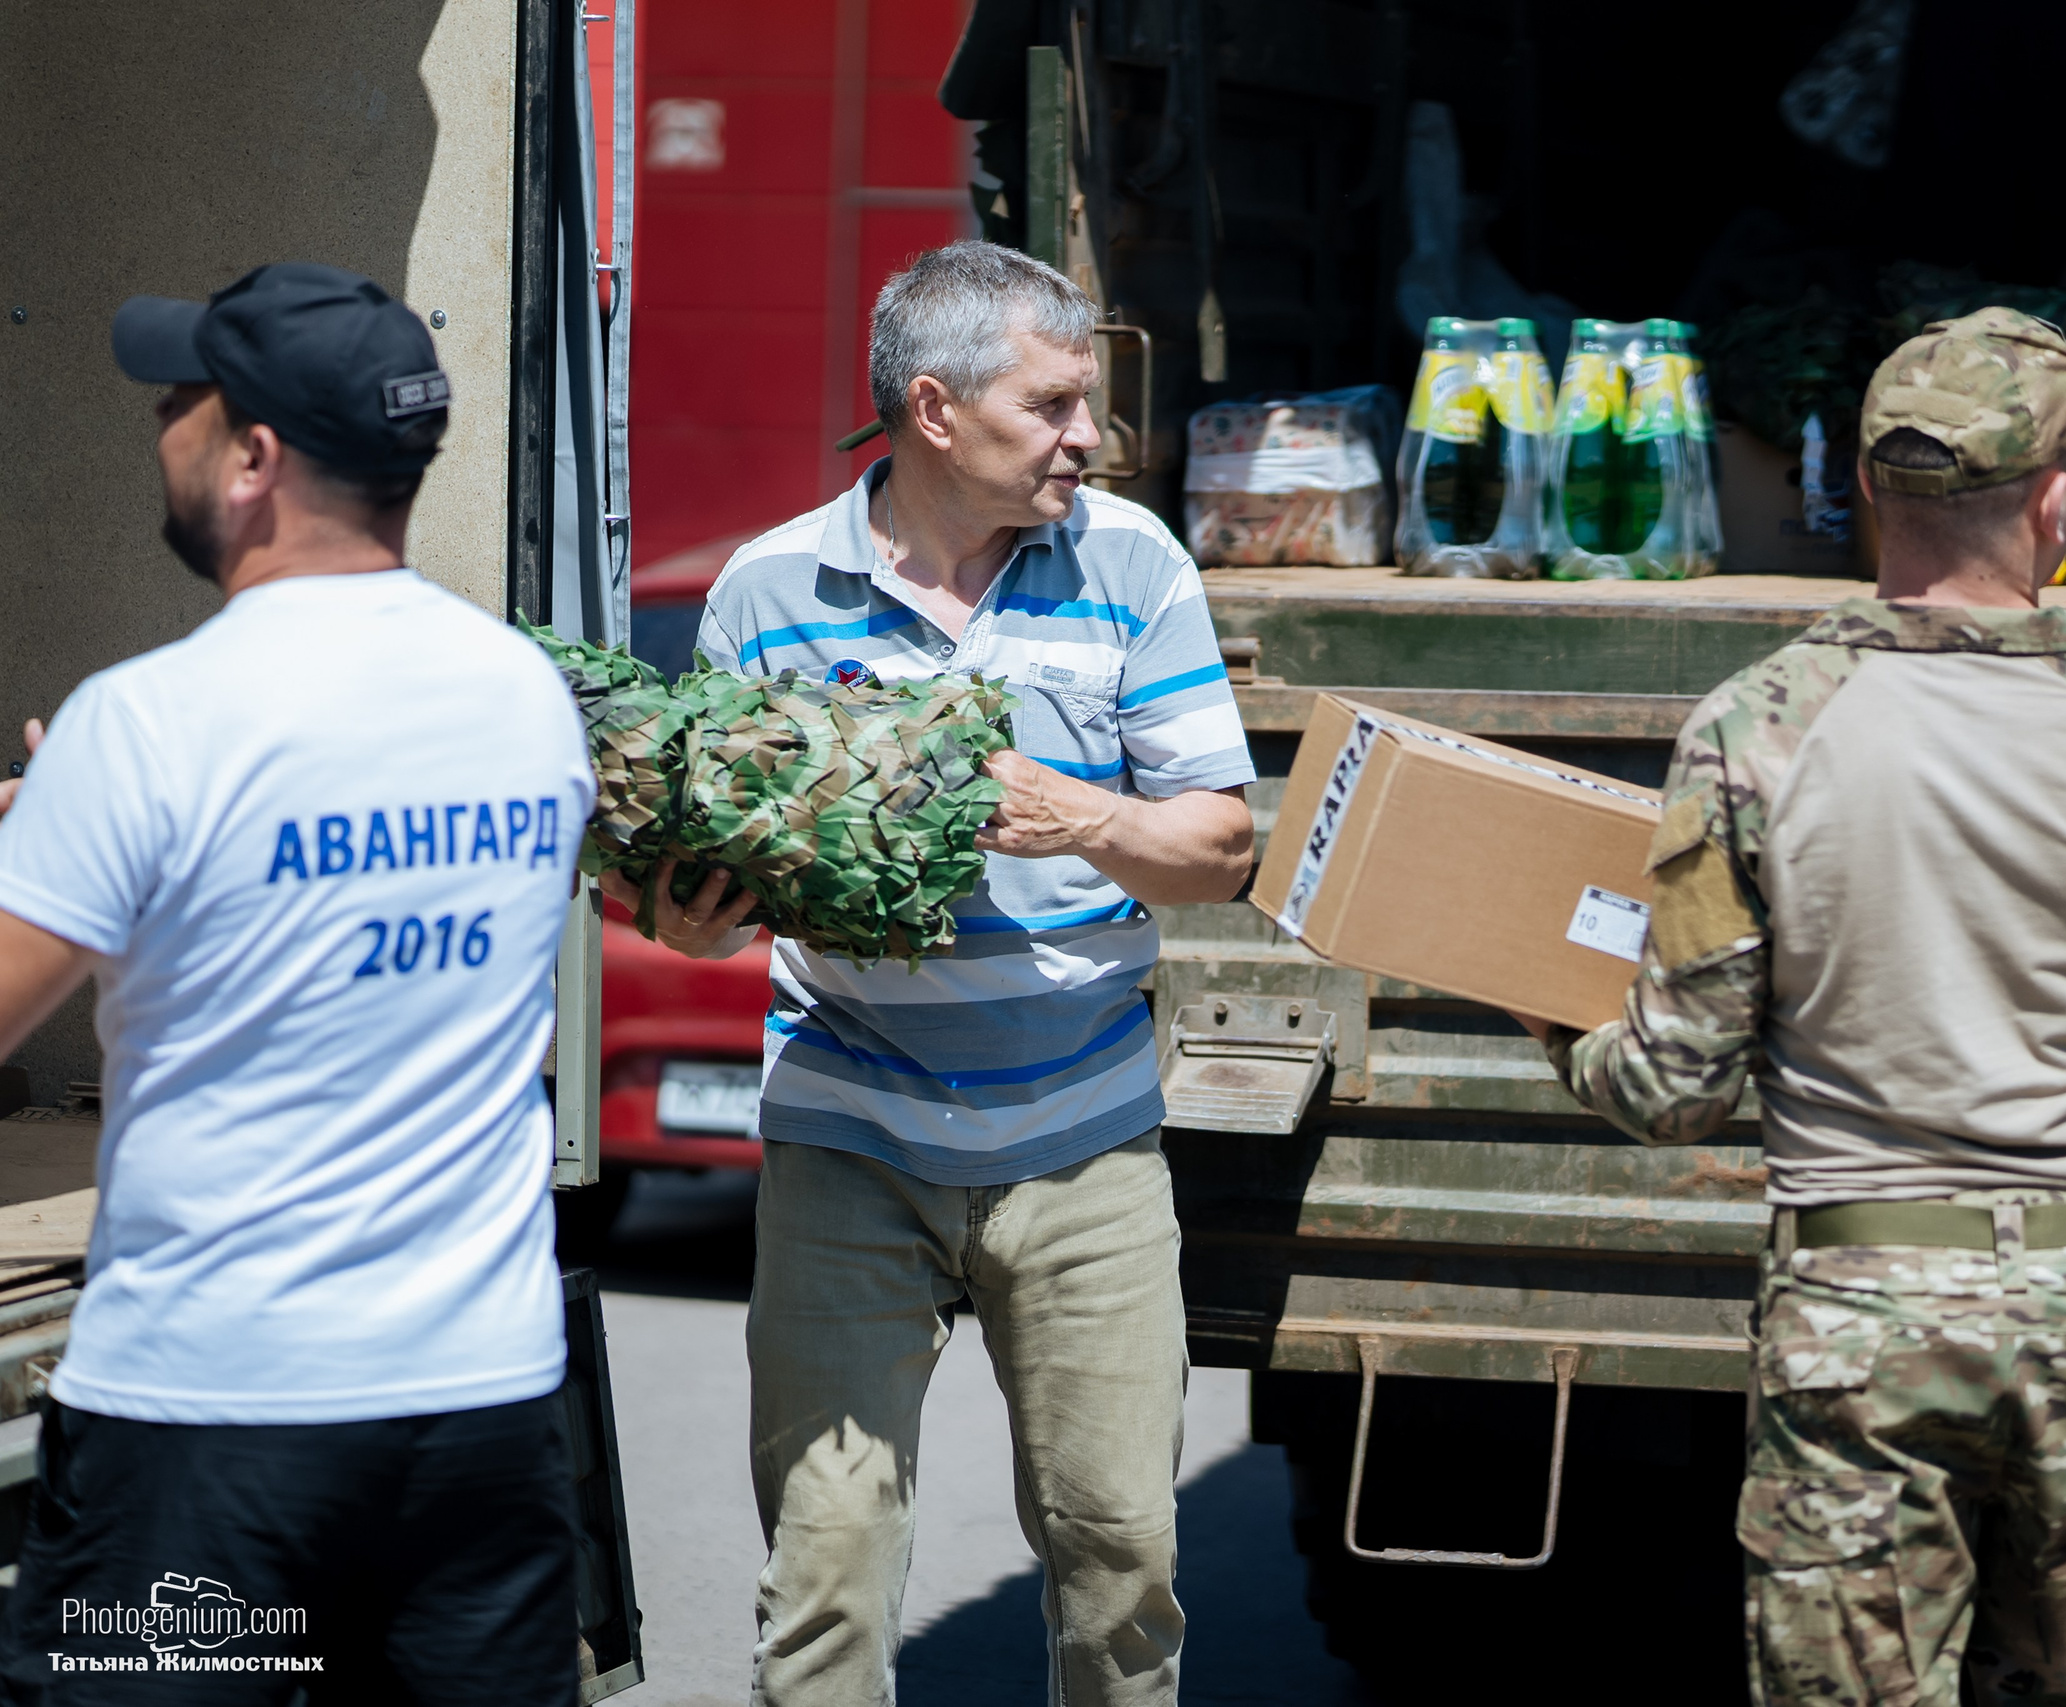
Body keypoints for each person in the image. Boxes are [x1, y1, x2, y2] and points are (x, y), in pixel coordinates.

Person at [1526, 308, 2066, 1707]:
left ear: (1875, 486)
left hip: (1861, 1319)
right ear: (2064, 497)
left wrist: (1551, 1015)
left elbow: (1678, 1086)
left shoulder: (1755, 725)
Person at [620, 241, 1253, 1705]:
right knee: (826, 1568)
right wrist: (695, 917)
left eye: (1085, 404)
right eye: (1053, 404)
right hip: (851, 1129)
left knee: (1118, 1564)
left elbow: (1217, 845)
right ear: (934, 409)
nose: (1087, 435)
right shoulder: (773, 591)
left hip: (1085, 1138)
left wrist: (1083, 814)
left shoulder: (1133, 562)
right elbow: (700, 883)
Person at [0, 263, 595, 1701]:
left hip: (214, 1425)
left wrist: (40, 846)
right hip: (482, 1409)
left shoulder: (148, 724)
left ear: (254, 460)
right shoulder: (523, 694)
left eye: (179, 402)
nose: (160, 426)